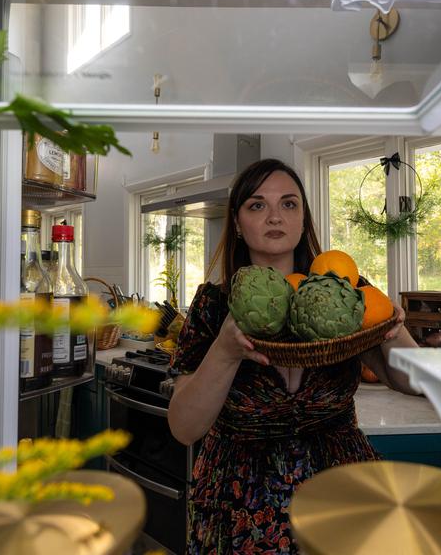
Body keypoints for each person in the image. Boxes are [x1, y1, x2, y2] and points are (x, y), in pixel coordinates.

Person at [168, 158, 420, 553]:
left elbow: (411, 381)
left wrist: (393, 327)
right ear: (236, 223)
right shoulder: (213, 306)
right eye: (257, 205)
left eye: (288, 204)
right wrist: (226, 350)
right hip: (240, 507)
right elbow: (184, 428)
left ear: (303, 219)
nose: (274, 217)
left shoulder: (345, 288)